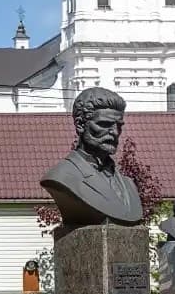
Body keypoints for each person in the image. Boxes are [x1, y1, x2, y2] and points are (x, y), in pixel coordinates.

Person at [40, 87, 142, 226]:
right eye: (104, 124)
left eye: (118, 126)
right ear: (80, 125)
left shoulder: (128, 184)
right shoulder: (62, 176)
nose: (114, 132)